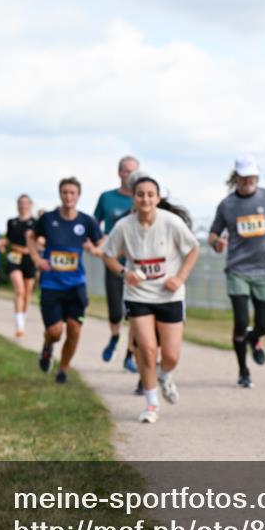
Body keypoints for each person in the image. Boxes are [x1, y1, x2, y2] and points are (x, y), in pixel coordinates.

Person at [102, 170, 199, 422]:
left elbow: (193, 250)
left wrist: (179, 278)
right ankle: (152, 404)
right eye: (140, 194)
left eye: (150, 195)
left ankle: (164, 375)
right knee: (146, 349)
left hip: (169, 295)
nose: (145, 199)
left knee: (171, 356)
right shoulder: (124, 226)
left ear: (157, 198)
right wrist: (125, 273)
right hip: (138, 295)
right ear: (133, 198)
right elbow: (108, 255)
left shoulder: (171, 222)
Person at [208, 155, 265, 388]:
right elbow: (213, 234)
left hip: (264, 270)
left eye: (252, 177)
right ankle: (243, 371)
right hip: (238, 270)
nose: (248, 181)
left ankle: (254, 339)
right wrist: (217, 243)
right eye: (243, 177)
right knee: (240, 321)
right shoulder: (227, 205)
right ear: (236, 178)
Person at [27, 177, 104, 384]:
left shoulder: (86, 221)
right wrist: (37, 260)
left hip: (76, 285)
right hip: (51, 284)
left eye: (72, 193)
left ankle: (63, 369)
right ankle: (47, 346)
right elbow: (31, 237)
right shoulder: (48, 219)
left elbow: (102, 242)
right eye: (65, 192)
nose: (68, 196)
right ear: (60, 194)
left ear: (78, 196)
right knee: (55, 332)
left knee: (74, 329)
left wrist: (94, 249)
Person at [95, 155, 141, 373]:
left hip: (137, 264)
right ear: (119, 172)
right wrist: (98, 243)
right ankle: (114, 337)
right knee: (116, 312)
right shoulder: (107, 198)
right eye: (125, 170)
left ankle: (129, 355)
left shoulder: (142, 198)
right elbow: (95, 226)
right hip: (113, 262)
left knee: (135, 313)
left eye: (133, 170)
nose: (129, 174)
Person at [2, 195, 38, 338]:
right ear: (17, 205)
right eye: (20, 203)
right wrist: (2, 243)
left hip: (30, 257)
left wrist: (39, 242)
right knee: (19, 290)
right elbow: (8, 238)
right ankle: (19, 325)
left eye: (25, 203)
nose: (23, 206)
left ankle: (23, 316)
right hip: (15, 256)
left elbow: (41, 239)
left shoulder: (36, 222)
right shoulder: (12, 222)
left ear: (30, 205)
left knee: (27, 293)